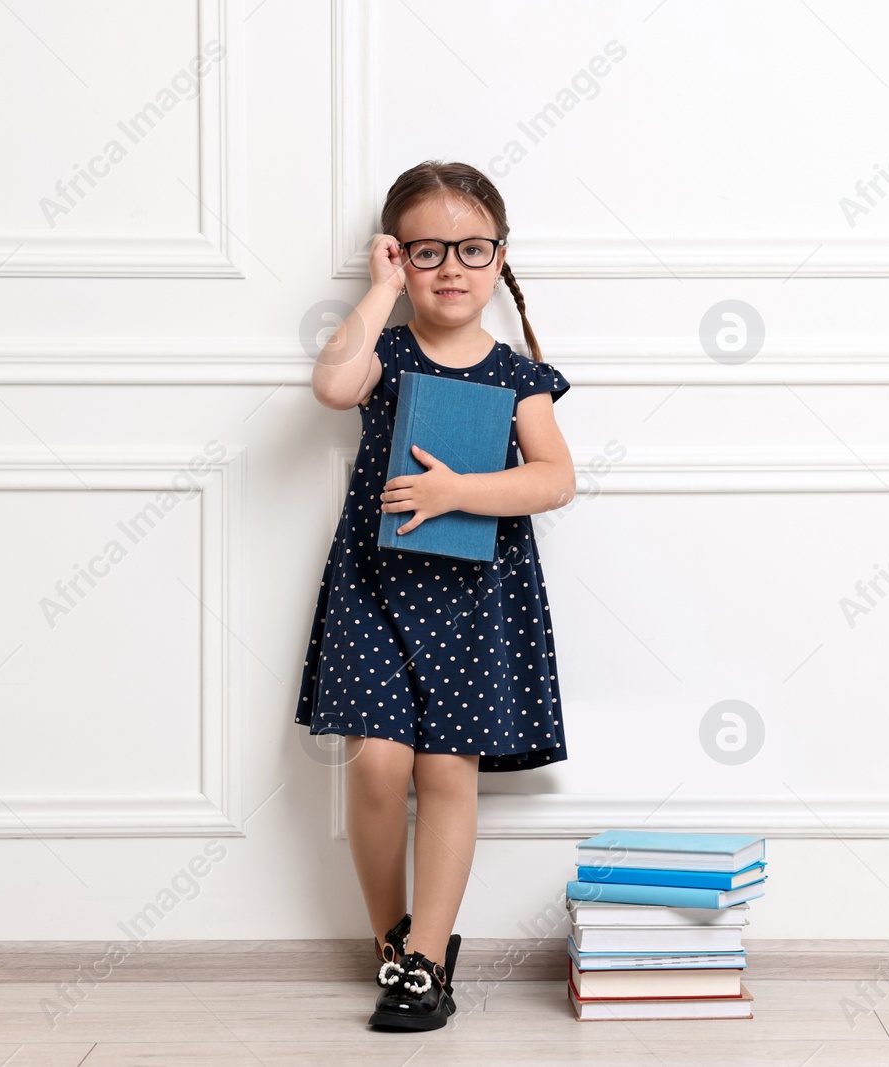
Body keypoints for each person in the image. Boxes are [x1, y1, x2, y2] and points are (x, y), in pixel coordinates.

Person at [297, 160, 577, 1030]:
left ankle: (429, 957)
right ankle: (393, 942)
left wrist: (460, 491)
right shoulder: (382, 353)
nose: (451, 266)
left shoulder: (517, 376)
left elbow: (555, 479)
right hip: (378, 584)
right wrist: (379, 291)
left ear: (501, 259)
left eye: (471, 248)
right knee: (377, 762)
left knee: (446, 769)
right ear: (397, 256)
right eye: (425, 251)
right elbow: (332, 386)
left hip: (474, 595)